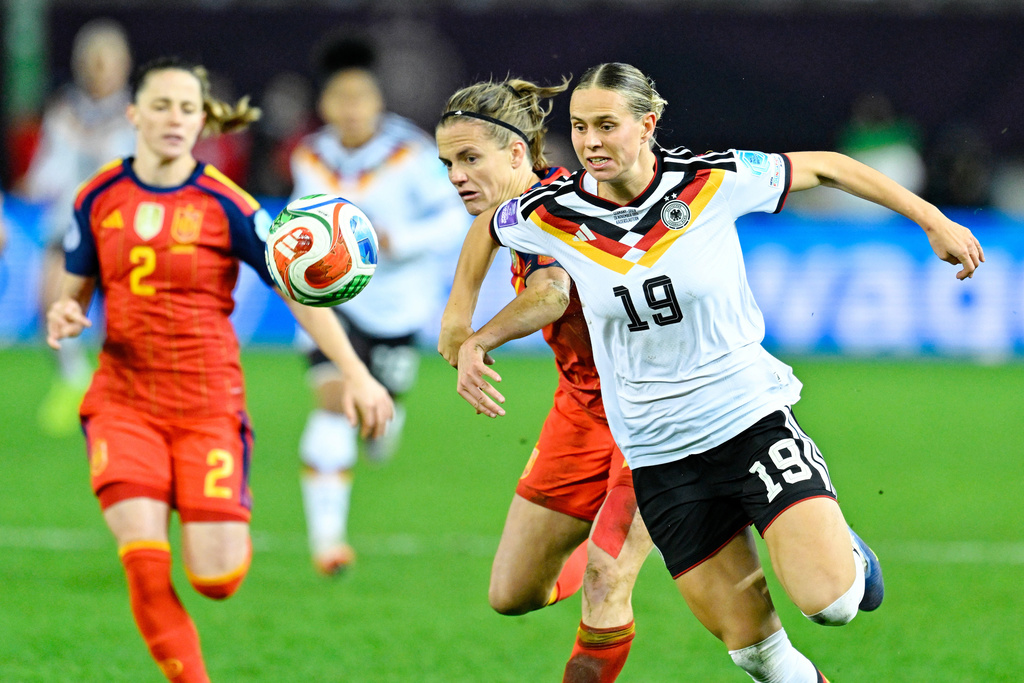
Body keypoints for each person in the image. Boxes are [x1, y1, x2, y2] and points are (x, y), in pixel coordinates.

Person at [459, 63, 984, 682]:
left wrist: (933, 219)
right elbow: (489, 229)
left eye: (607, 125)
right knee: (756, 654)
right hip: (659, 460)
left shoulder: (711, 179)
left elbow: (834, 167)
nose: (590, 142)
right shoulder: (550, 212)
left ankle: (850, 554)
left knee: (834, 605)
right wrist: (464, 330)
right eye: (579, 128)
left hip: (747, 425)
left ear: (647, 124)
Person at [46, 57, 393, 683]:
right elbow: (73, 291)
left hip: (207, 405)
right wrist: (65, 316)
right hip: (122, 402)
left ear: (203, 120)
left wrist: (357, 373)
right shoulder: (97, 196)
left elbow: (299, 296)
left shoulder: (226, 203)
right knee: (147, 569)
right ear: (135, 114)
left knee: (216, 581)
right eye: (162, 105)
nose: (175, 118)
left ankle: (192, 497)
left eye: (188, 108)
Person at [436, 79, 654, 682]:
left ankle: (770, 512)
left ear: (516, 155)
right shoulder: (508, 214)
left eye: (469, 158)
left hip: (651, 414)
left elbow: (550, 294)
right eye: (448, 162)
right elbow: (489, 230)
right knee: (513, 592)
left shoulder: (556, 213)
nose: (455, 175)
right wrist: (458, 314)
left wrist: (480, 336)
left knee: (608, 583)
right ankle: (684, 515)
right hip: (582, 410)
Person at [287, 34, 468, 575]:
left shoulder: (410, 153)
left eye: (359, 98)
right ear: (325, 106)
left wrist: (399, 240)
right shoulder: (309, 155)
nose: (349, 108)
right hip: (329, 300)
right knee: (333, 399)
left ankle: (385, 424)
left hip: (395, 306)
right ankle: (327, 542)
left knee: (376, 424)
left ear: (376, 102)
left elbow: (455, 217)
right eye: (339, 99)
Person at [16, 19, 137, 436]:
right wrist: (36, 182)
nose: (100, 70)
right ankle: (73, 378)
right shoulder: (64, 112)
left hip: (122, 229)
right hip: (67, 223)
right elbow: (48, 165)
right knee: (48, 301)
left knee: (126, 320)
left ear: (123, 65)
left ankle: (120, 393)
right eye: (94, 61)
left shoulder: (138, 116)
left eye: (108, 61)